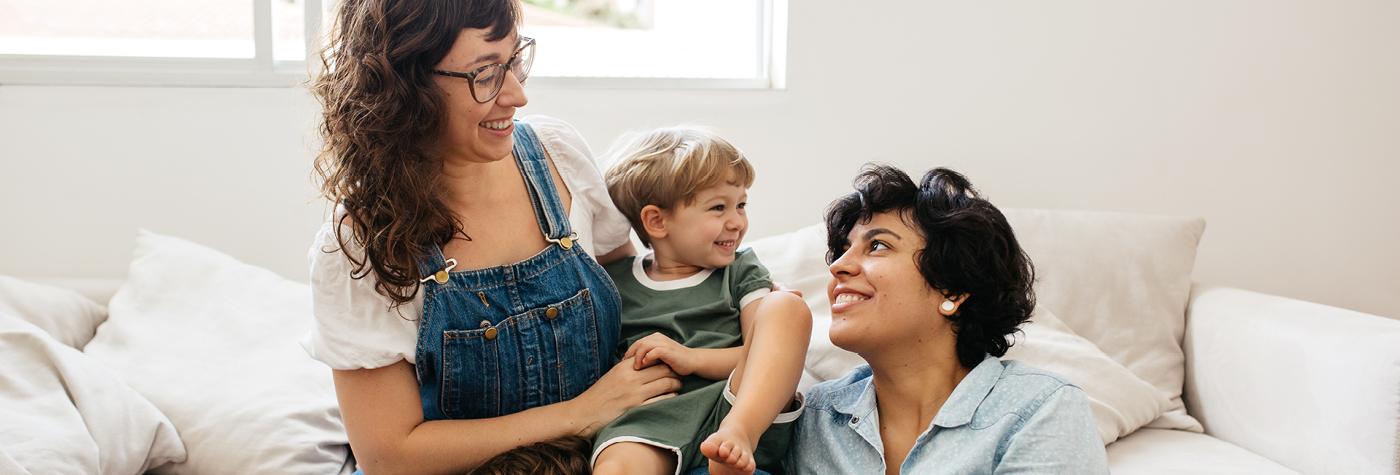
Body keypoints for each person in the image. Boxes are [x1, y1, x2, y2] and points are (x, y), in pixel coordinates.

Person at [302, 0, 682, 473]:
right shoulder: (361, 241)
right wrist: (581, 414)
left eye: (515, 61)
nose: (517, 95)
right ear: (407, 88)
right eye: (485, 75)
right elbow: (390, 455)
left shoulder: (557, 155)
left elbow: (637, 292)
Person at [786, 165, 1108, 474]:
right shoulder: (816, 419)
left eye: (877, 245)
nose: (838, 266)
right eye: (842, 250)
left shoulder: (1041, 410)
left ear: (953, 290)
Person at [590, 127, 812, 475]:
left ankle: (735, 443)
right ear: (657, 221)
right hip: (651, 419)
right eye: (718, 207)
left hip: (738, 406)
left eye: (741, 205)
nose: (737, 222)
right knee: (616, 466)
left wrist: (691, 359)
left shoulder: (741, 270)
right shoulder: (614, 281)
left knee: (786, 307)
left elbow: (764, 355)